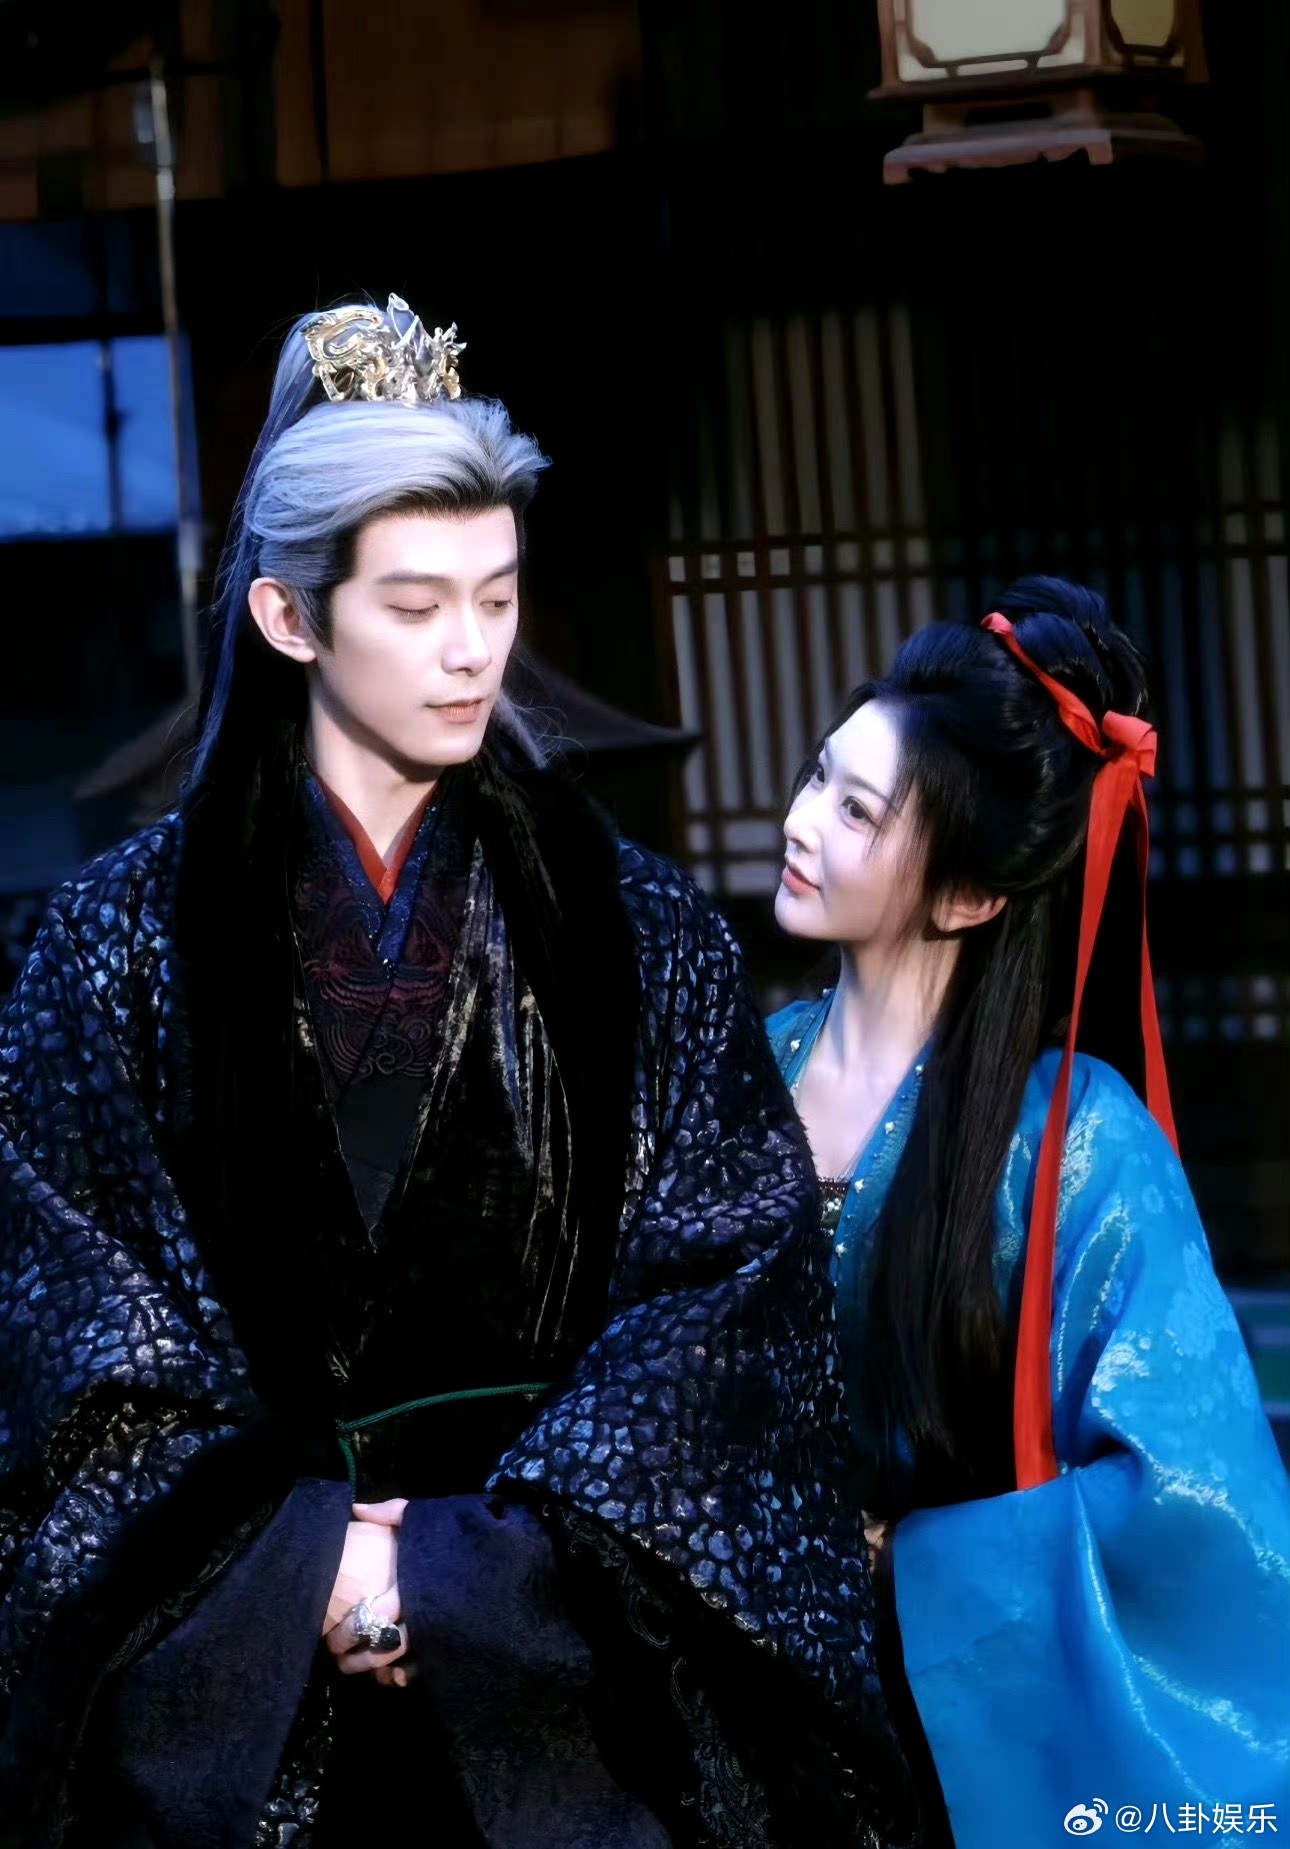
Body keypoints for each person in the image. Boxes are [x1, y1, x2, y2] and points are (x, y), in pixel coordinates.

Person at [0, 298, 920, 1848]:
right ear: (292, 619)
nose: (472, 648)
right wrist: (312, 1570)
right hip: (243, 1706)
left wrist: (457, 1576)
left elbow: (721, 1310)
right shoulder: (112, 949)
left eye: (495, 594)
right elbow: (74, 1328)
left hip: (567, 1690)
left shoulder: (638, 934)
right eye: (415, 603)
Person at [767, 577, 1290, 1848]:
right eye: (817, 776)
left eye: (855, 810)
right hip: (736, 1682)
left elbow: (1197, 1499)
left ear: (969, 896)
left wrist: (914, 1563)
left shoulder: (1075, 1140)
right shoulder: (742, 1073)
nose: (799, 821)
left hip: (954, 1729)